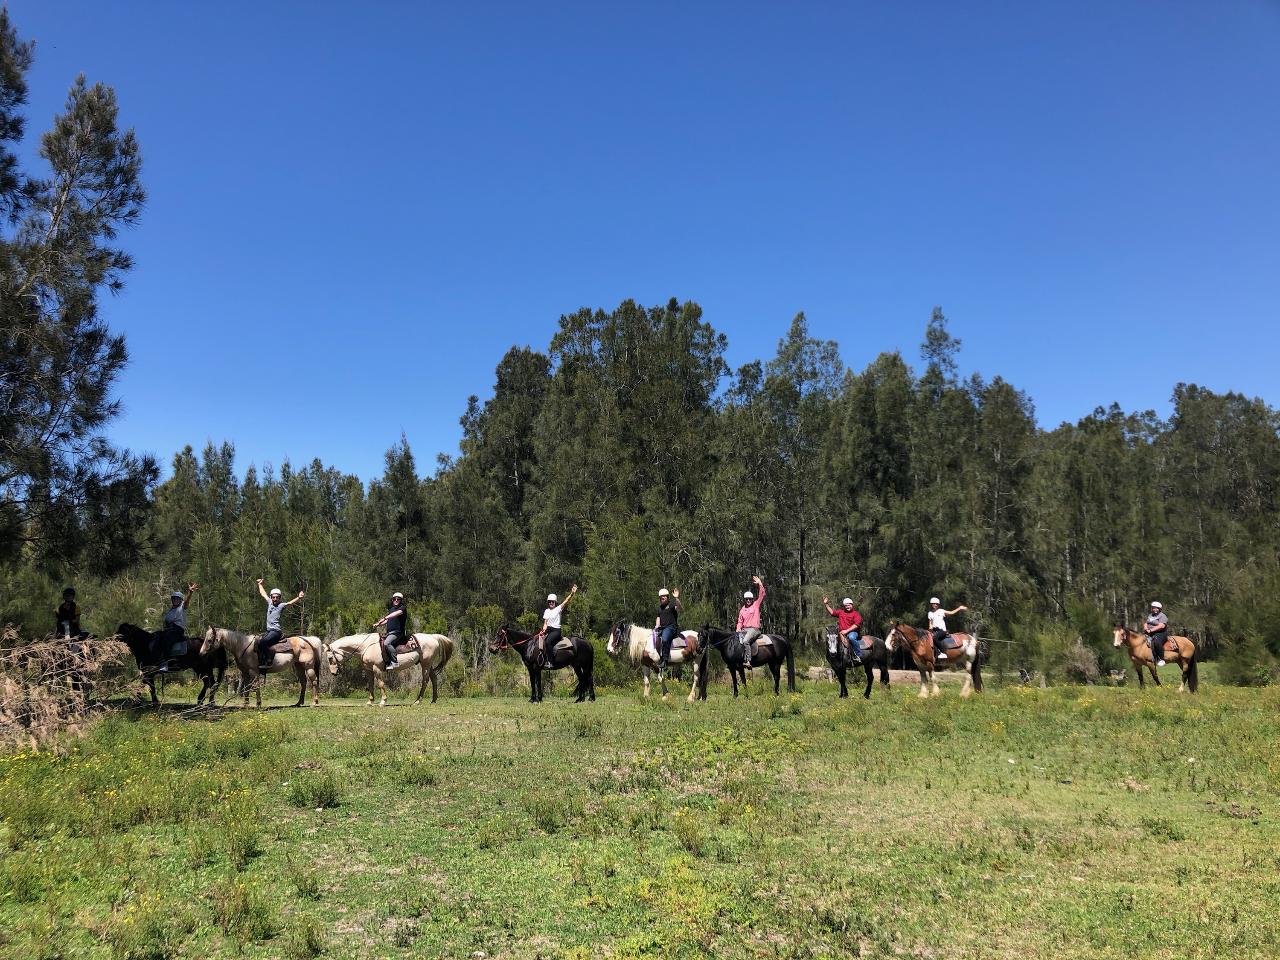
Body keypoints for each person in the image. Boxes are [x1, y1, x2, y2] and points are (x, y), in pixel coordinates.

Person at [255, 580, 305, 670]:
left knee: (263, 642)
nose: (275, 599)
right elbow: (263, 593)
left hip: (276, 631)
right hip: (269, 631)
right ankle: (261, 662)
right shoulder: (269, 602)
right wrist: (260, 584)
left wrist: (299, 597)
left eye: (277, 597)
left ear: (279, 598)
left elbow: (290, 603)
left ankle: (269, 660)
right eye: (273, 597)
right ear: (271, 597)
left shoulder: (281, 605)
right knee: (258, 641)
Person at [534, 583, 578, 668]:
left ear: (555, 602)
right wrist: (543, 631)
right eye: (549, 601)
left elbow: (566, 601)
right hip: (548, 630)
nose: (551, 603)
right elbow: (545, 623)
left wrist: (572, 594)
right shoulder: (546, 611)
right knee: (538, 642)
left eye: (552, 601)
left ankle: (551, 662)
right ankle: (542, 660)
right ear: (548, 602)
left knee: (547, 642)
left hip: (556, 631)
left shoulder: (558, 609)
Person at [157, 584, 198, 671]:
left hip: (177, 630)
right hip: (169, 630)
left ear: (180, 600)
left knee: (166, 640)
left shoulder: (182, 607)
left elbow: (187, 601)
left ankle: (165, 664)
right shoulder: (170, 611)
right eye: (174, 598)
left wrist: (190, 593)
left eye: (177, 598)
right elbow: (166, 622)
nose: (175, 600)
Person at [374, 592, 410, 668]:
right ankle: (386, 661)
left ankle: (394, 662)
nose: (396, 600)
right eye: (394, 599)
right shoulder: (391, 609)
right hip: (390, 633)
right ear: (392, 600)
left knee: (387, 643)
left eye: (398, 599)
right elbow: (388, 620)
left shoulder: (402, 608)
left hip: (398, 633)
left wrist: (384, 618)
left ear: (401, 601)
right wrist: (378, 624)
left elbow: (395, 614)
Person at [736, 575, 766, 668]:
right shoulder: (742, 609)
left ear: (752, 599)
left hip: (754, 629)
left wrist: (760, 584)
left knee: (745, 641)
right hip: (744, 629)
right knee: (735, 642)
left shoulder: (756, 605)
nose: (748, 600)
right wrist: (738, 629)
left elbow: (762, 594)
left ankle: (748, 661)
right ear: (744, 600)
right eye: (746, 599)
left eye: (750, 599)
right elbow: (740, 621)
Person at [822, 595, 863, 662]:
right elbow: (832, 612)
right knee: (832, 639)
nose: (847, 607)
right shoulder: (841, 612)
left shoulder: (856, 614)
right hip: (841, 632)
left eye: (849, 605)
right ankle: (834, 657)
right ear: (844, 606)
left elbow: (856, 625)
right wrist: (826, 604)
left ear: (852, 605)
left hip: (853, 632)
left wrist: (846, 631)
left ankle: (858, 655)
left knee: (851, 638)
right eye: (846, 605)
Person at [655, 587, 682, 668]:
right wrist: (656, 626)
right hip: (662, 628)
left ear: (667, 597)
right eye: (661, 597)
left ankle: (665, 660)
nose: (662, 598)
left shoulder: (671, 605)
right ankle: (657, 657)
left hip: (671, 627)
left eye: (664, 596)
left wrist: (676, 597)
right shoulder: (659, 608)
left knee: (665, 638)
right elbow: (658, 618)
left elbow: (680, 608)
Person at [1143, 601, 1169, 667]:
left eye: (1156, 608)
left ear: (1159, 609)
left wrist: (1151, 630)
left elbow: (1161, 626)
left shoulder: (1162, 616)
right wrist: (1146, 628)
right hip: (1149, 632)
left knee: (1156, 642)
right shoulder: (1150, 615)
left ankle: (1161, 659)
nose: (1154, 609)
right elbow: (1146, 623)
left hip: (1161, 633)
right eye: (1153, 608)